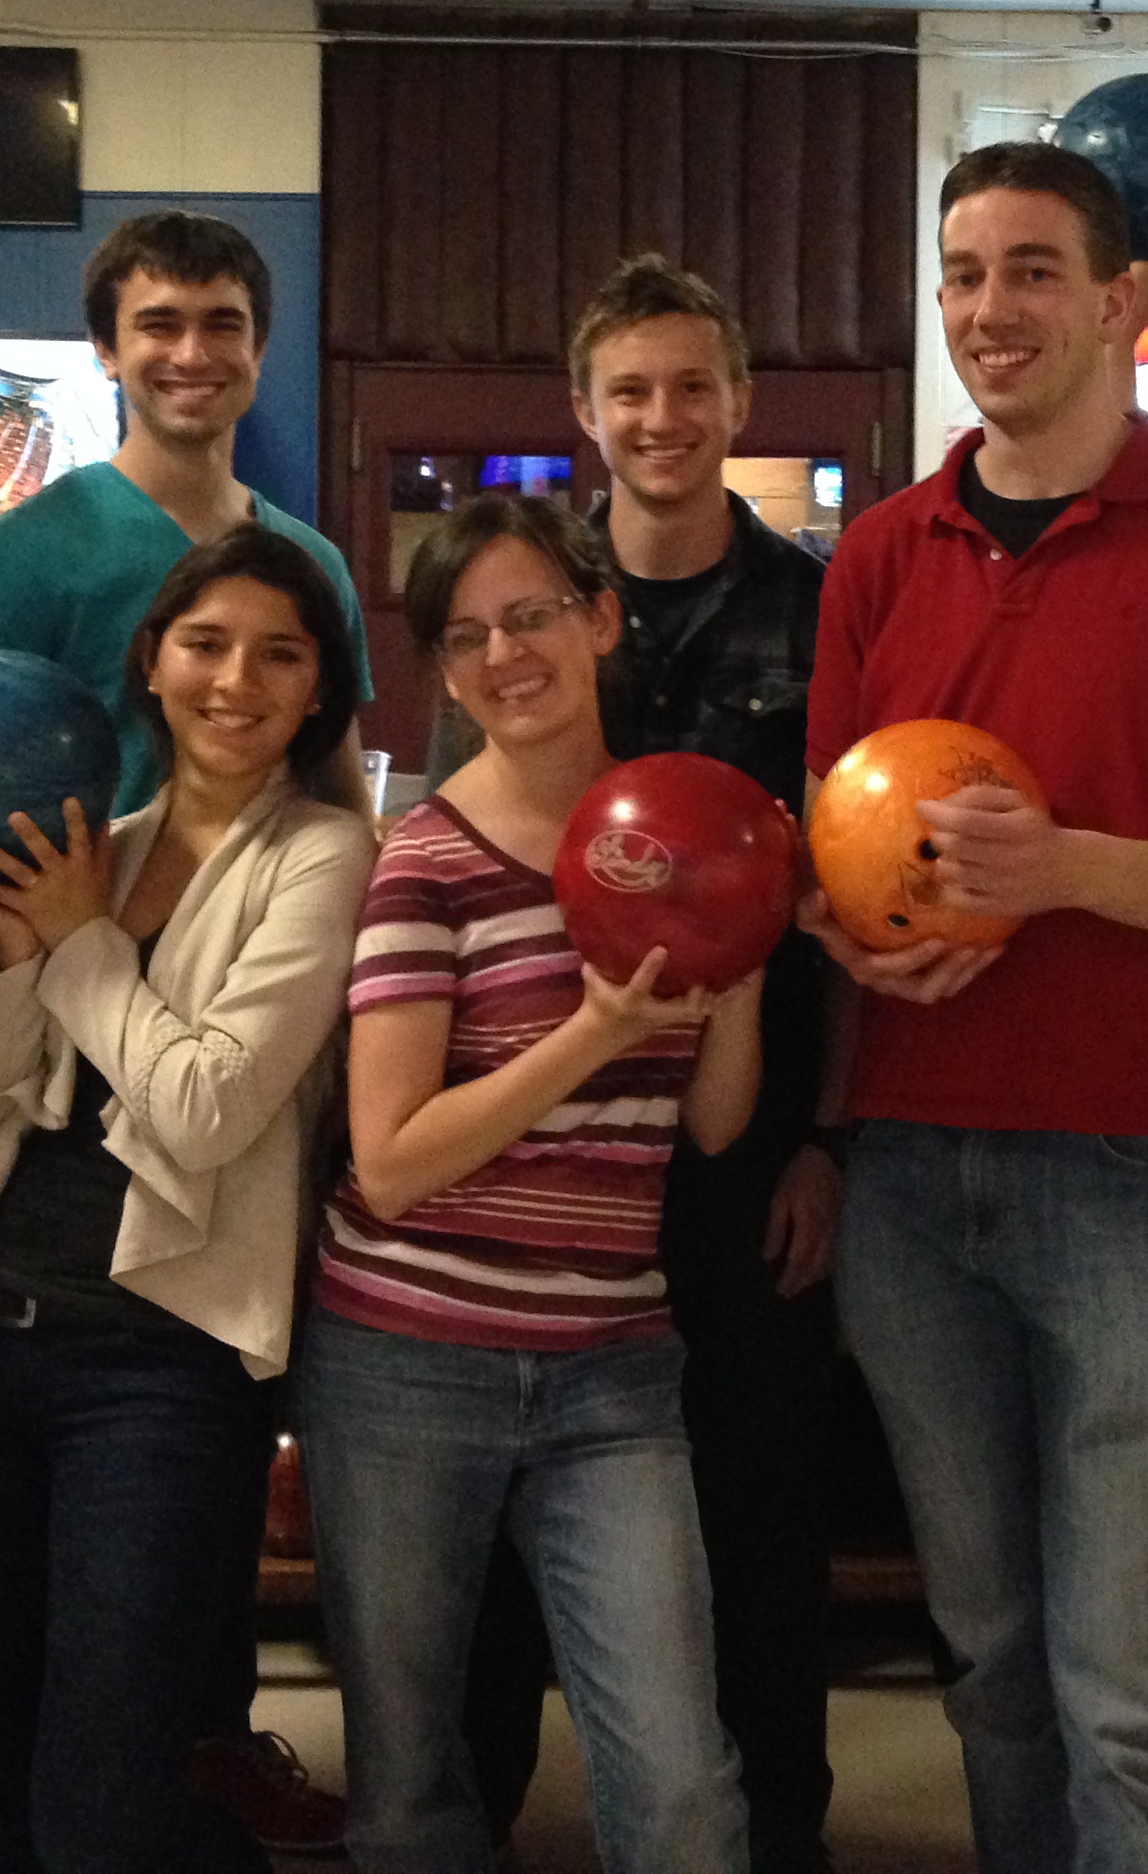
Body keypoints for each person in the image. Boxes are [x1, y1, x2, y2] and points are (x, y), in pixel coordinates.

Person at [802, 140, 1148, 1872]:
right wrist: (852, 939)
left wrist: (1063, 869)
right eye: (961, 271)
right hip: (907, 1167)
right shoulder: (878, 554)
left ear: (1120, 298)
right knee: (993, 1665)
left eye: (1030, 268)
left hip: (1145, 1165)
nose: (987, 307)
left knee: (1138, 1689)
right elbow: (837, 854)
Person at [0, 205, 368, 1854]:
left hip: (163, 1314)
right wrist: (4, 946)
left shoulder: (314, 844)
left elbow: (199, 1100)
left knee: (104, 1765)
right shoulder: (42, 568)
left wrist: (74, 945)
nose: (231, 677)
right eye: (157, 320)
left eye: (223, 321)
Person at [297, 492, 764, 1874]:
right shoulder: (426, 862)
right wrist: (599, 1030)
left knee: (681, 1784)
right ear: (443, 671)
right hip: (403, 1364)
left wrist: (729, 982)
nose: (506, 655)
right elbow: (389, 1163)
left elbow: (719, 1130)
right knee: (410, 1784)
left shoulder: (685, 827)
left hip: (613, 1371)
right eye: (467, 636)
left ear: (603, 619)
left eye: (535, 616)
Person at [451, 258, 844, 1873]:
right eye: (631, 390)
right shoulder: (528, 602)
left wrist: (826, 1137)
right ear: (584, 410)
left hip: (748, 1139)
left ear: (739, 402)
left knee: (759, 1507)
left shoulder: (826, 611)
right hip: (556, 1128)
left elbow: (851, 888)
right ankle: (478, 1821)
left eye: (692, 387)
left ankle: (785, 1836)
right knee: (506, 1527)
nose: (662, 418)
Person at [0, 208, 370, 812]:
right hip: (82, 902)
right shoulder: (24, 553)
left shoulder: (315, 563)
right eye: (159, 326)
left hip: (276, 900)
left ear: (258, 348)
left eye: (222, 325)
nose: (192, 355)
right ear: (107, 351)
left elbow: (335, 779)